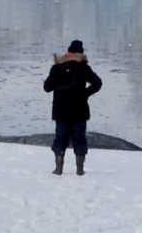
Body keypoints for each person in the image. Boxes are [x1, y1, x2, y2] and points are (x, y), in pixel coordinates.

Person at [43, 39, 104, 176]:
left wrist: (57, 84)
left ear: (68, 52)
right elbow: (98, 83)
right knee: (79, 139)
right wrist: (85, 94)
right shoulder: (83, 67)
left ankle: (59, 169)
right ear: (81, 53)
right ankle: (80, 169)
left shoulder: (57, 67)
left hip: (61, 111)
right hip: (79, 110)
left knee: (60, 138)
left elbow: (47, 88)